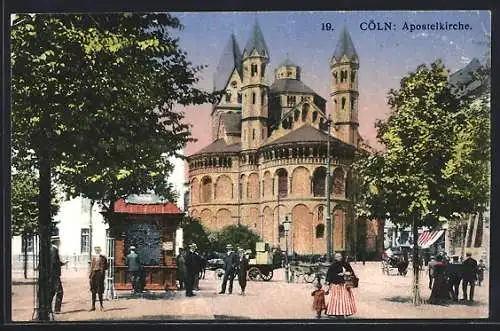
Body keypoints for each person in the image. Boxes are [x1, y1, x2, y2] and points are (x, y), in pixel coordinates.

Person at [325, 252, 357, 318]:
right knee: (336, 299)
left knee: (345, 298)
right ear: (335, 258)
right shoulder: (333, 266)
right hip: (336, 284)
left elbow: (351, 272)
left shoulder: (345, 264)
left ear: (342, 257)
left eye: (340, 256)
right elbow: (330, 275)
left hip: (345, 284)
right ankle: (335, 312)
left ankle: (345, 311)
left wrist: (347, 273)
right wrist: (337, 275)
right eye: (337, 257)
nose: (339, 258)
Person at [49, 236, 69, 314]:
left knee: (52, 291)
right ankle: (57, 309)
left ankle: (48, 308)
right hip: (55, 274)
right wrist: (62, 263)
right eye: (59, 241)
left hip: (51, 274)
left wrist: (63, 263)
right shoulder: (54, 250)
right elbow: (54, 262)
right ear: (56, 242)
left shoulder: (51, 250)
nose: (60, 243)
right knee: (60, 291)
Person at [89, 246, 108, 311]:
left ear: (100, 250)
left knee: (100, 291)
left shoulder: (103, 258)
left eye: (98, 250)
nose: (97, 251)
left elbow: (106, 267)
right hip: (93, 275)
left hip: (100, 275)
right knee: (93, 291)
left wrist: (101, 272)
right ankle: (93, 306)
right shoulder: (93, 257)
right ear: (95, 250)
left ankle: (101, 306)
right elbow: (91, 267)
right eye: (96, 250)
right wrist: (90, 275)